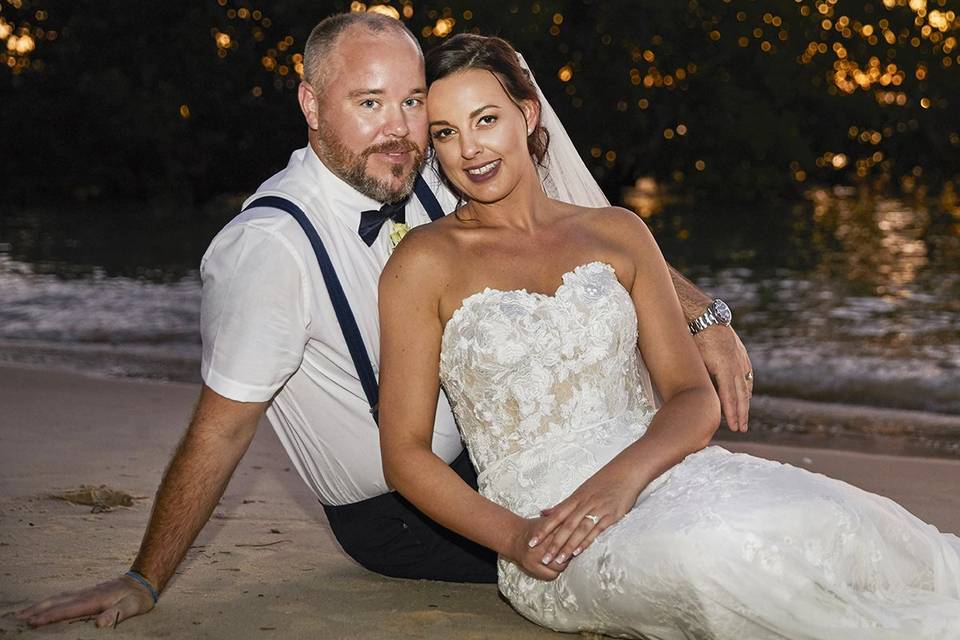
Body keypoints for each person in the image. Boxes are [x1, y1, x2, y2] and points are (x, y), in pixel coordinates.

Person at [17, 13, 752, 629]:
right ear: (310, 105)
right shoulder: (269, 250)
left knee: (715, 507)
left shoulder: (426, 162)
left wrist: (703, 315)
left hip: (514, 457)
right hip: (403, 515)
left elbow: (572, 236)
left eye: (410, 104)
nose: (399, 130)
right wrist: (145, 579)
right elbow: (223, 427)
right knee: (661, 557)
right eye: (368, 104)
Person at [378, 33, 960, 639]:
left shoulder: (619, 233)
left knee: (832, 522)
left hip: (668, 472)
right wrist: (517, 537)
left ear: (527, 115)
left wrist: (621, 479)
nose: (470, 148)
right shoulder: (424, 263)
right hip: (551, 529)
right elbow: (405, 454)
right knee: (714, 560)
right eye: (445, 132)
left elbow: (691, 396)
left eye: (486, 119)